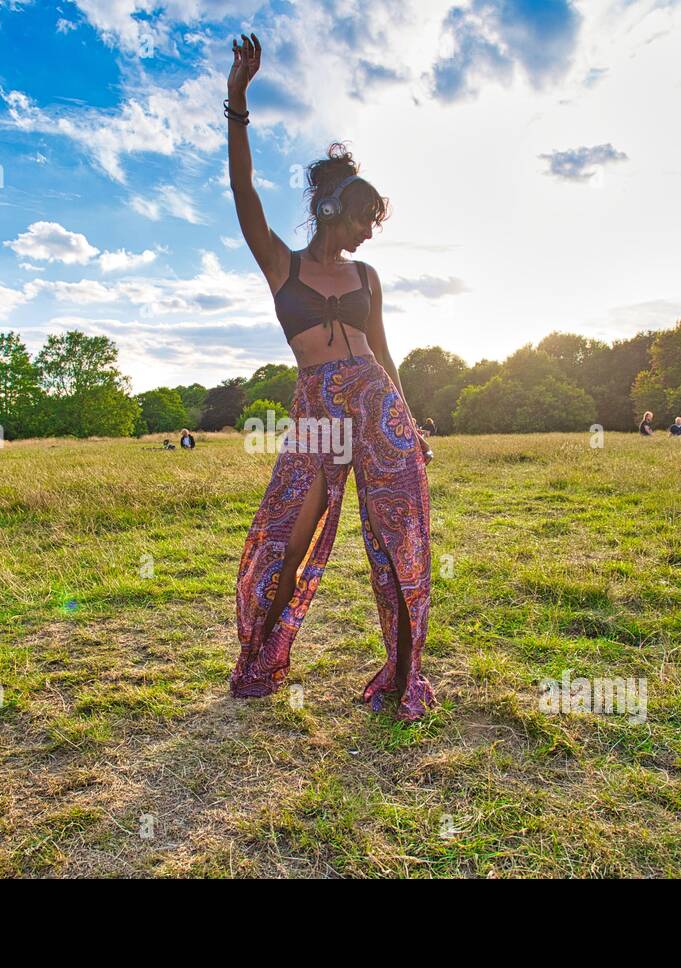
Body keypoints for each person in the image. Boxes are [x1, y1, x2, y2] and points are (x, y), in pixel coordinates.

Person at [225, 33, 435, 721]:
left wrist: (410, 420)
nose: (369, 233)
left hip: (379, 407)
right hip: (317, 410)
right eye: (363, 219)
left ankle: (404, 677)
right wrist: (238, 100)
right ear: (329, 211)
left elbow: (385, 352)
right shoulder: (282, 266)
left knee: (400, 542)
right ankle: (262, 655)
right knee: (290, 538)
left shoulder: (367, 277)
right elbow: (242, 188)